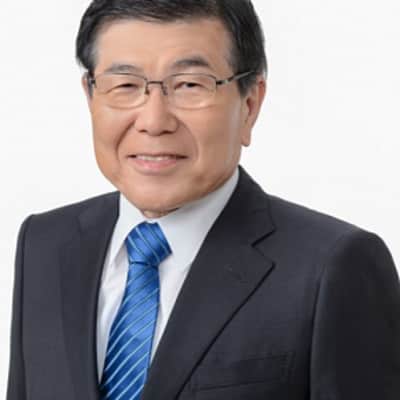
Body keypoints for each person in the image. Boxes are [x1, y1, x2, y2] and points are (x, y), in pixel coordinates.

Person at [7, 1, 400, 399]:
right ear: (91, 96)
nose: (154, 122)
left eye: (190, 85)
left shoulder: (334, 267)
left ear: (250, 105)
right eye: (125, 85)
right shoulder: (45, 243)